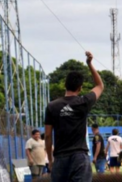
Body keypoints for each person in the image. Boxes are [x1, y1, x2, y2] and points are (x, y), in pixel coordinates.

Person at [44, 51, 104, 182]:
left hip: (60, 158)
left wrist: (50, 160)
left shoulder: (52, 106)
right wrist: (89, 64)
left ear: (65, 85)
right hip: (79, 157)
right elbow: (100, 85)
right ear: (80, 88)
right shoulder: (84, 102)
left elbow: (48, 136)